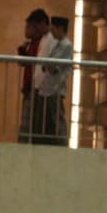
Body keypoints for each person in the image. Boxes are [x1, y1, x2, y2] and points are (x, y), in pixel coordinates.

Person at [32, 15, 72, 145]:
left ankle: (61, 144)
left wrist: (48, 65)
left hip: (56, 88)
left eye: (54, 29)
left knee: (57, 120)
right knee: (48, 120)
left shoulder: (66, 46)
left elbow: (54, 66)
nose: (52, 32)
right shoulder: (58, 44)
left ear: (61, 29)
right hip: (49, 88)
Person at [18, 8, 49, 143]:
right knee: (27, 123)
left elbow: (39, 61)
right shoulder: (31, 43)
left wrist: (28, 56)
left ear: (38, 26)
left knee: (30, 124)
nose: (26, 29)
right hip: (29, 88)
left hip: (36, 89)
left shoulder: (43, 42)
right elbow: (26, 63)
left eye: (29, 26)